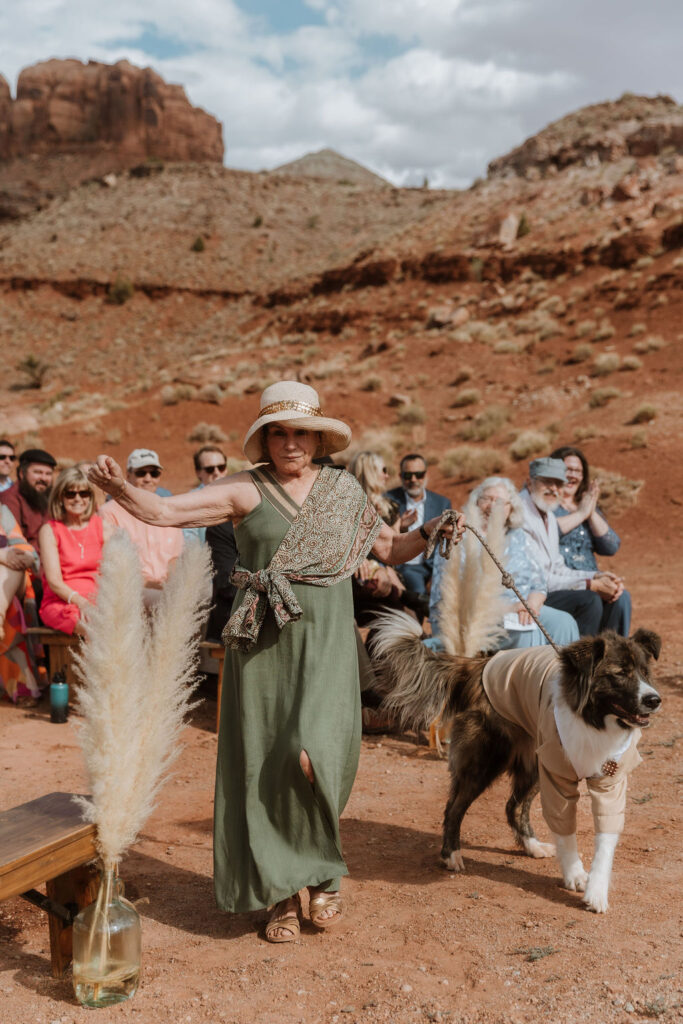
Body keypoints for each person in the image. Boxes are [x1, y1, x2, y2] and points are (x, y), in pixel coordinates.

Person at [89, 380, 465, 944]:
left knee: (318, 758)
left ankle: (318, 866)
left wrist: (430, 531)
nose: (291, 443)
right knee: (268, 764)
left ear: (318, 438)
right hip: (263, 640)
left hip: (328, 643)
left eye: (301, 433)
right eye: (279, 433)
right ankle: (285, 891)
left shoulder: (342, 490)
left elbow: (390, 550)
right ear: (265, 438)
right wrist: (120, 488)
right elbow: (164, 512)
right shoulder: (243, 489)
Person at [430, 476, 579, 651]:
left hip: (523, 609)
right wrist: (510, 609)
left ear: (511, 508)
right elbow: (455, 598)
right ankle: (524, 677)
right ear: (476, 502)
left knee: (564, 622)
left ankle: (562, 677)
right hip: (477, 618)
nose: (493, 506)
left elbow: (538, 584)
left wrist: (530, 605)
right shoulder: (459, 538)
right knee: (526, 631)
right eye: (487, 499)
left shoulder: (519, 536)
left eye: (500, 501)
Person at [520, 458, 626, 637]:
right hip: (526, 597)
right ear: (530, 482)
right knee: (589, 600)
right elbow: (538, 578)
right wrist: (589, 584)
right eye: (547, 481)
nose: (554, 488)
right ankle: (579, 662)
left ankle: (609, 659)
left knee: (616, 598)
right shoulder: (520, 515)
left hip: (546, 589)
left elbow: (558, 567)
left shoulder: (547, 516)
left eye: (559, 483)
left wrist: (596, 575)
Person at [550, 445, 631, 634]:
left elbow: (611, 546)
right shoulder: (545, 505)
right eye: (567, 469)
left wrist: (591, 512)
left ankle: (614, 659)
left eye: (578, 471)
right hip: (562, 581)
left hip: (594, 576)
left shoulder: (586, 506)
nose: (573, 475)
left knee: (621, 597)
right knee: (590, 598)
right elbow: (547, 532)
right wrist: (581, 513)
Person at [99, 448, 184, 608]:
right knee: (167, 603)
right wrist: (160, 590)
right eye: (141, 473)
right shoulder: (109, 512)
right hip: (131, 588)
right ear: (128, 474)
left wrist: (174, 587)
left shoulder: (168, 510)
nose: (148, 478)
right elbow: (116, 562)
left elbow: (175, 559)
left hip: (167, 588)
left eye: (154, 473)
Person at [38, 467, 110, 635]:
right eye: (70, 494)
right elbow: (54, 581)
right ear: (60, 497)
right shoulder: (50, 530)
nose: (78, 499)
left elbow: (109, 574)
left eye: (84, 493)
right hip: (62, 601)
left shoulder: (103, 527)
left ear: (90, 497)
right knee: (92, 626)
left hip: (98, 600)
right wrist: (82, 603)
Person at [384, 453, 451, 594]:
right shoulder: (388, 500)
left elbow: (447, 540)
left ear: (426, 475)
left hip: (434, 564)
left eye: (418, 474)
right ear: (400, 476)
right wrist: (401, 526)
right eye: (408, 475)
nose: (413, 480)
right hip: (406, 565)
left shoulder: (442, 503)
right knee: (418, 589)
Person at [0, 504, 41, 703]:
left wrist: (21, 556)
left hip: (6, 583)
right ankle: (24, 683)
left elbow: (26, 551)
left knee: (12, 569)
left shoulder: (2, 511)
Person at [0, 448, 56, 548]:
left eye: (48, 474)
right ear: (22, 474)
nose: (43, 478)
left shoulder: (49, 497)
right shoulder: (9, 498)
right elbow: (14, 541)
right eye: (38, 472)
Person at [184, 445, 230, 545]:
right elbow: (189, 540)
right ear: (198, 473)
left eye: (221, 467)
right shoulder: (191, 501)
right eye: (210, 469)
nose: (216, 472)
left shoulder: (237, 495)